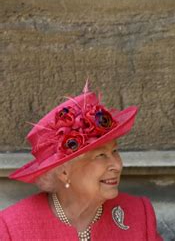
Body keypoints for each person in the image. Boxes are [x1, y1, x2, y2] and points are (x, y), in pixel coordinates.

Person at [0, 83, 164, 241]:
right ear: (64, 173)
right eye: (100, 155)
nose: (117, 165)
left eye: (114, 151)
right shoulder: (12, 229)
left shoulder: (138, 214)